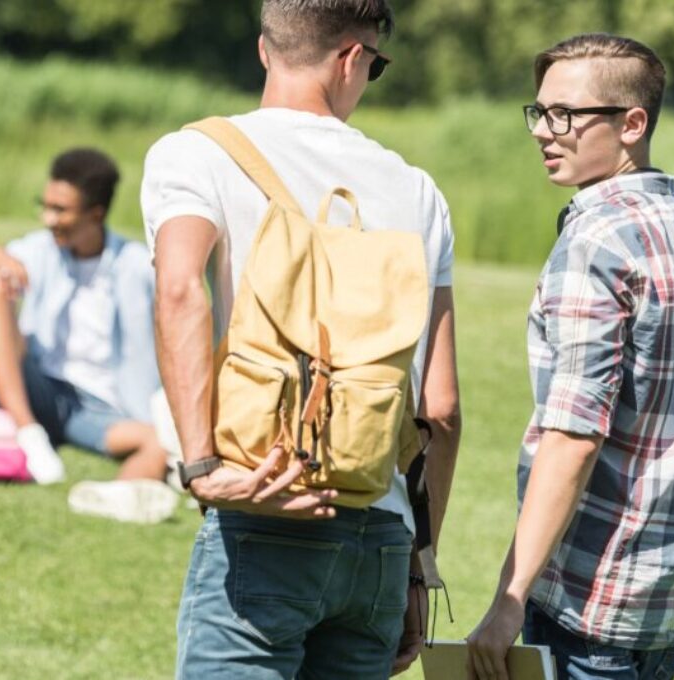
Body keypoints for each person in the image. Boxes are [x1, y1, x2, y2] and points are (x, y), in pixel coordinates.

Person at [143, 0, 461, 676]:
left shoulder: (196, 153)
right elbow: (439, 406)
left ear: (266, 49)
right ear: (352, 56)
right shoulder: (417, 190)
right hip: (380, 534)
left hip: (267, 501)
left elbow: (179, 291)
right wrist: (418, 563)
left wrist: (202, 467)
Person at [467, 34, 674, 680]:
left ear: (632, 124)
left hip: (586, 613)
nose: (545, 131)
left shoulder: (596, 240)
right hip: (673, 611)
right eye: (539, 112)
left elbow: (573, 435)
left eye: (565, 115)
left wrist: (509, 599)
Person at [0, 148, 175, 523]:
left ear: (95, 214)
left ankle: (111, 497)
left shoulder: (137, 265)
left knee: (157, 440)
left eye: (61, 210)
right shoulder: (37, 249)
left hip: (98, 403)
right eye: (45, 205)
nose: (48, 218)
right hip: (36, 386)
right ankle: (28, 432)